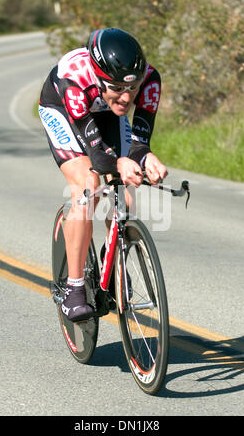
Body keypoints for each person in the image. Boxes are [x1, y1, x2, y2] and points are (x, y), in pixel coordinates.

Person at [39, 28, 168, 322]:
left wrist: (146, 158)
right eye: (117, 89)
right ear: (99, 78)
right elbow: (97, 155)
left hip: (105, 114)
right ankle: (74, 288)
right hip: (65, 112)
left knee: (127, 196)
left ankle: (116, 257)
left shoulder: (148, 80)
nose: (126, 98)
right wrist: (119, 162)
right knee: (88, 186)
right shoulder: (75, 81)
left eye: (132, 90)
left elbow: (139, 141)